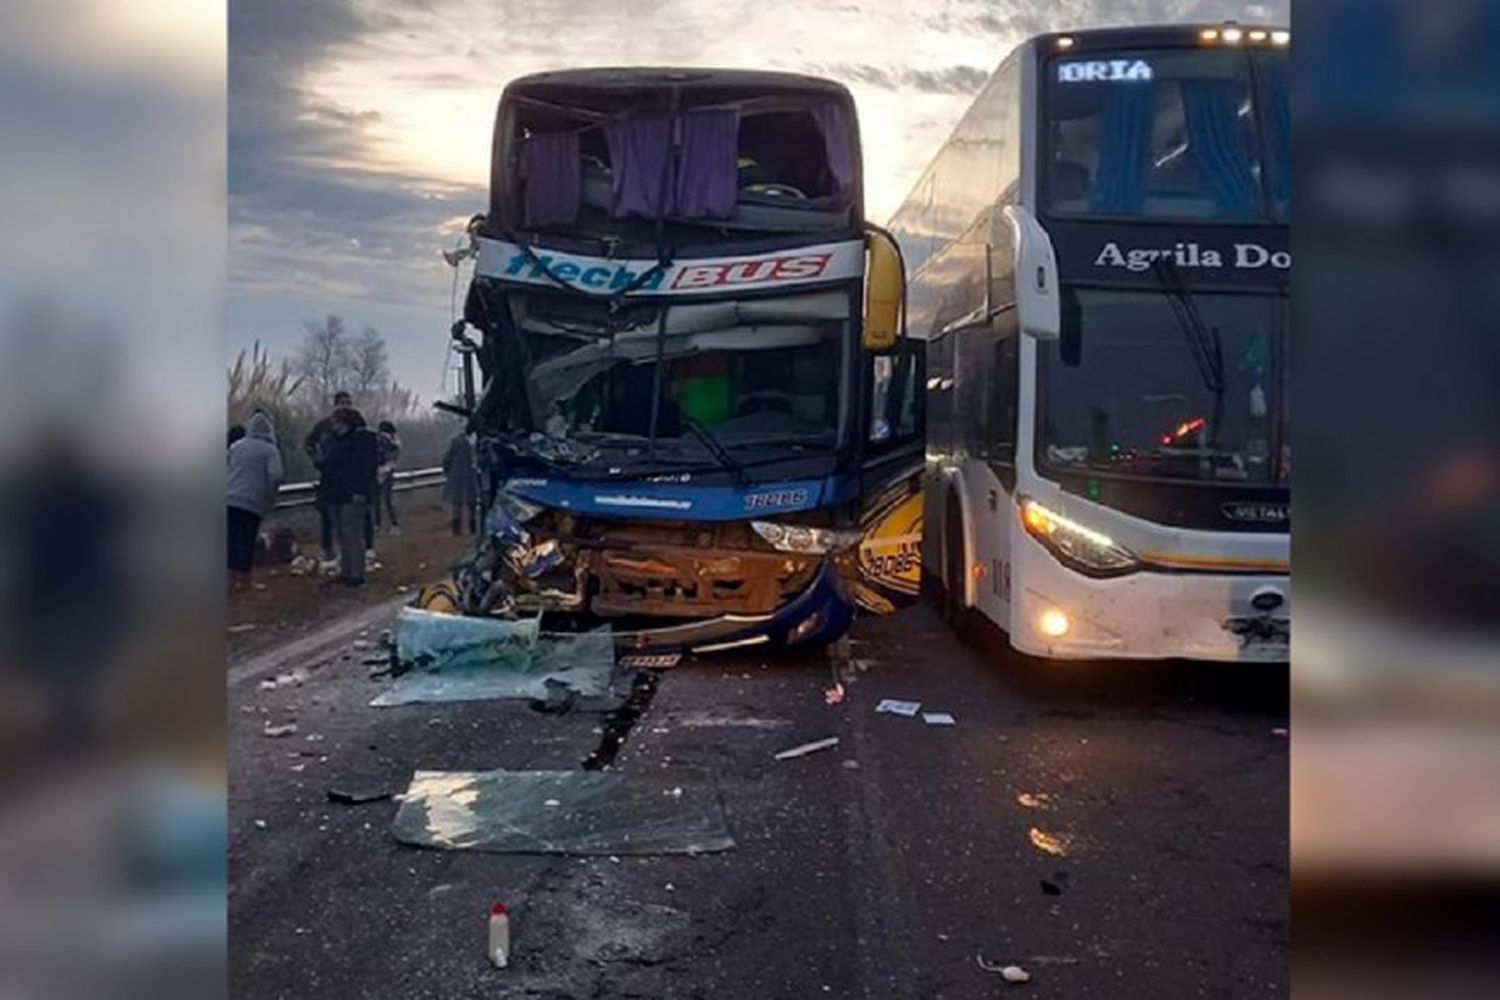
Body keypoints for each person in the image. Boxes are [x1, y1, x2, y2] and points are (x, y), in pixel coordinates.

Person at [320, 406, 381, 585]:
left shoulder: (362, 440)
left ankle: (356, 574)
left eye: (337, 421)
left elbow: (366, 469)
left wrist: (361, 491)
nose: (334, 425)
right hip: (336, 493)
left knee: (352, 535)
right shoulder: (335, 441)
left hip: (353, 494)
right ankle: (347, 571)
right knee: (342, 534)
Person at [226, 410, 284, 590]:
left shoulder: (236, 446)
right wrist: (269, 496)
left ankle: (230, 579)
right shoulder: (270, 450)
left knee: (231, 539)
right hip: (252, 503)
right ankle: (244, 580)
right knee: (246, 540)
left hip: (228, 498)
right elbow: (276, 476)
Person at [303, 390, 353, 564]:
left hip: (350, 477)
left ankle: (349, 552)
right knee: (327, 513)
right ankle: (327, 548)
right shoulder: (325, 425)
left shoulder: (355, 425)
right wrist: (318, 459)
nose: (345, 406)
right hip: (328, 476)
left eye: (348, 402)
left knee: (348, 516)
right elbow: (308, 443)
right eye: (342, 402)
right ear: (335, 405)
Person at [442, 429, 479, 536]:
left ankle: (457, 530)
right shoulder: (476, 441)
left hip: (458, 475)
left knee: (457, 503)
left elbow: (447, 458)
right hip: (472, 474)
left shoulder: (456, 440)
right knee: (472, 502)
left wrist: (447, 469)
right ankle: (472, 529)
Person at [374, 419, 401, 533]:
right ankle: (394, 524)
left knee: (377, 500)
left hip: (378, 470)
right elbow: (394, 456)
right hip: (389, 471)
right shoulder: (395, 441)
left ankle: (377, 525)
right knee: (388, 500)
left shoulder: (380, 439)